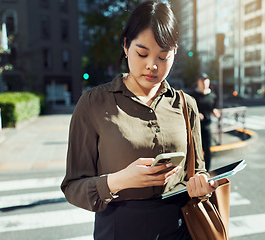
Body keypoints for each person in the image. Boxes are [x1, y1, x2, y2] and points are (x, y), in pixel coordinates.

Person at [60, 1, 217, 239]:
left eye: (163, 57)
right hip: (120, 229)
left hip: (180, 229)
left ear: (174, 53)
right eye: (142, 53)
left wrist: (202, 184)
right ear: (126, 45)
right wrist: (118, 181)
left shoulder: (186, 105)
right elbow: (73, 188)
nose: (152, 65)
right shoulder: (93, 103)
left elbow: (197, 170)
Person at [191, 73, 220, 170]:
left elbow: (213, 108)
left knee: (207, 151)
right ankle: (195, 171)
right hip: (194, 128)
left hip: (207, 127)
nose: (204, 83)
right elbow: (187, 110)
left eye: (206, 81)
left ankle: (207, 171)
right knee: (195, 151)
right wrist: (196, 114)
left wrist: (214, 111)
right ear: (198, 83)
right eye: (202, 81)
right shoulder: (192, 96)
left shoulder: (212, 96)